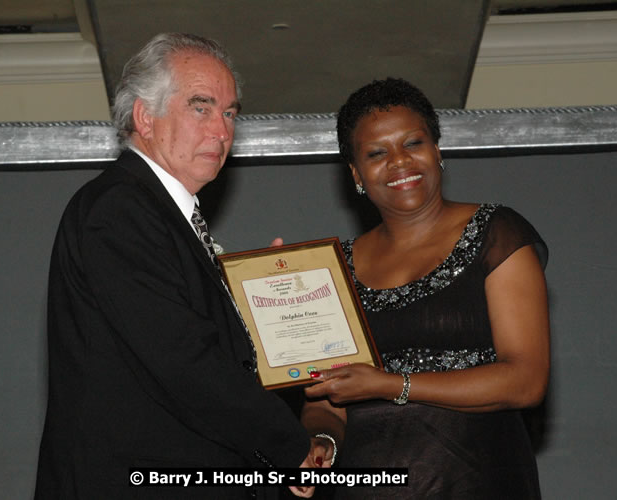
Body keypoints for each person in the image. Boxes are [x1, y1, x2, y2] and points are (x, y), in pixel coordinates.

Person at [34, 33, 318, 499]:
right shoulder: (120, 209)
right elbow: (183, 359)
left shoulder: (161, 216)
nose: (222, 131)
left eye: (229, 113)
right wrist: (289, 447)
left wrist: (262, 309)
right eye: (201, 107)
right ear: (145, 117)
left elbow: (186, 344)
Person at [301, 78, 550, 498]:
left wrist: (389, 384)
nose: (399, 162)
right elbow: (325, 399)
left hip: (476, 483)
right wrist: (322, 441)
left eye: (412, 143)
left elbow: (525, 380)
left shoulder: (495, 233)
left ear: (437, 150)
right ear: (357, 174)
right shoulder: (333, 268)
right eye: (377, 153)